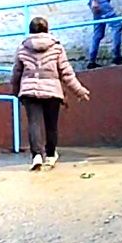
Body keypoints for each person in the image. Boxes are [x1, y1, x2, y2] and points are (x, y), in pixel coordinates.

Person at [11, 17, 90, 170]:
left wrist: (15, 91)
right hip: (52, 90)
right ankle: (51, 155)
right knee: (51, 125)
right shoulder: (57, 47)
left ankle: (37, 156)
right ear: (47, 30)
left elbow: (16, 73)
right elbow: (66, 73)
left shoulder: (22, 47)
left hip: (28, 90)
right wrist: (79, 91)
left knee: (34, 123)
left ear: (30, 31)